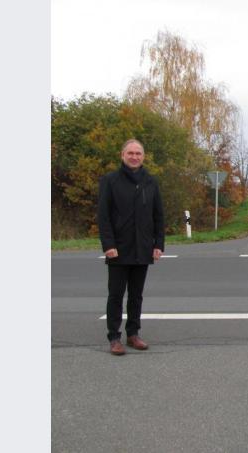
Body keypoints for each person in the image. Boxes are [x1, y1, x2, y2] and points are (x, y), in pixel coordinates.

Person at [98, 139, 165, 355]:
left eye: (138, 153)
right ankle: (114, 337)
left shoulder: (150, 181)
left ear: (143, 156)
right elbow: (104, 216)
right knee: (116, 294)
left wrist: (158, 244)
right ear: (122, 155)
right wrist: (108, 244)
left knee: (137, 295)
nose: (134, 157)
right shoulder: (110, 180)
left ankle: (133, 334)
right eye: (130, 153)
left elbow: (158, 216)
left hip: (143, 247)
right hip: (118, 248)